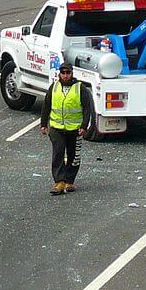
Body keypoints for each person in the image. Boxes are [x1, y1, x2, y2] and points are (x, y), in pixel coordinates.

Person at [40, 62, 93, 195]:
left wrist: (84, 126)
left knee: (73, 156)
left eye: (67, 73)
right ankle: (59, 182)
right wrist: (43, 124)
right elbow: (46, 105)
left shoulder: (79, 88)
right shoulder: (54, 87)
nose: (65, 75)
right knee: (58, 154)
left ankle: (69, 181)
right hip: (57, 128)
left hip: (74, 129)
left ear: (72, 73)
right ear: (59, 74)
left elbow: (87, 108)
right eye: (63, 73)